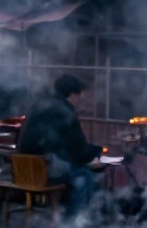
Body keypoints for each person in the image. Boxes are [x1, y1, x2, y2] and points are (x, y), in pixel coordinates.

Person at [17, 75, 103, 214]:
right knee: (85, 177)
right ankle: (75, 220)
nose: (81, 100)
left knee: (74, 169)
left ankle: (64, 216)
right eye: (80, 96)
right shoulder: (65, 111)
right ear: (73, 94)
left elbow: (61, 145)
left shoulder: (39, 104)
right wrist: (95, 155)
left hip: (24, 168)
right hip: (45, 169)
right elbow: (78, 149)